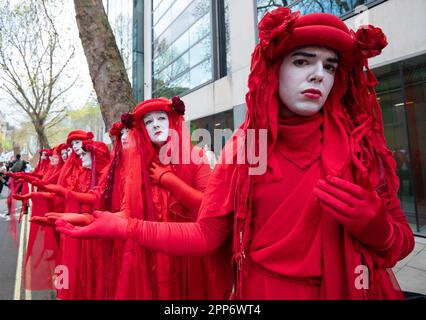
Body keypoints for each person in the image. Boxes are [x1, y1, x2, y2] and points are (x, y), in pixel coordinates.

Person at [56, 9, 414, 300]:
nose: (319, 75)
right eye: (303, 62)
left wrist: (378, 229)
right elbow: (208, 235)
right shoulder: (247, 148)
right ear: (274, 71)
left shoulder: (361, 149)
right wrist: (123, 226)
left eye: (329, 66)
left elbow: (399, 241)